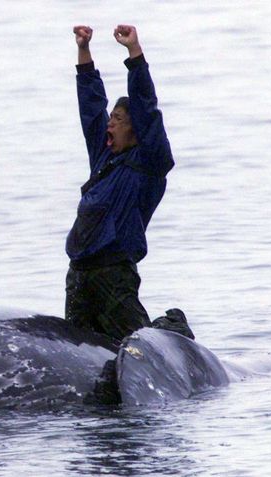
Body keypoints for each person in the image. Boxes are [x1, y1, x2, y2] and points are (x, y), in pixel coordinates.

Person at [65, 24, 174, 343]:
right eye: (111, 118)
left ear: (136, 131)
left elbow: (146, 108)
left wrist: (134, 53)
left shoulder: (149, 162)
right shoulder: (104, 158)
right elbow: (90, 108)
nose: (109, 123)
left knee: (139, 345)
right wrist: (83, 51)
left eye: (119, 119)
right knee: (84, 353)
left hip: (114, 274)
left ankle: (173, 330)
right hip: (79, 275)